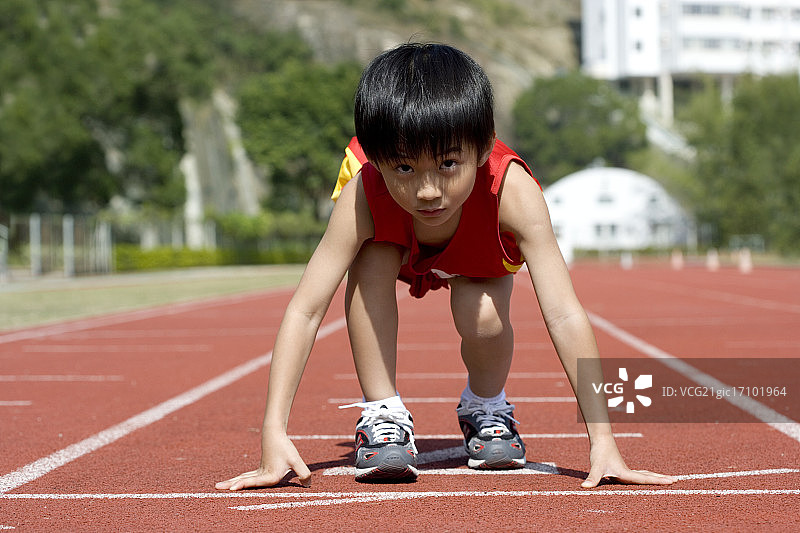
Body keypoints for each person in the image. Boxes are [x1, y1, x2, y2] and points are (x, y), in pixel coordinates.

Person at [216, 42, 675, 490]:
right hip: (392, 242)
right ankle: (382, 414)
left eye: (448, 164)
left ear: (482, 148)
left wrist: (604, 438)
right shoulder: (365, 189)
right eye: (404, 168)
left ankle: (487, 406)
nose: (428, 191)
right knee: (369, 263)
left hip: (475, 250)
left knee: (485, 317)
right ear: (376, 160)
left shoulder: (512, 191)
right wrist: (273, 431)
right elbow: (306, 308)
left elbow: (564, 312)